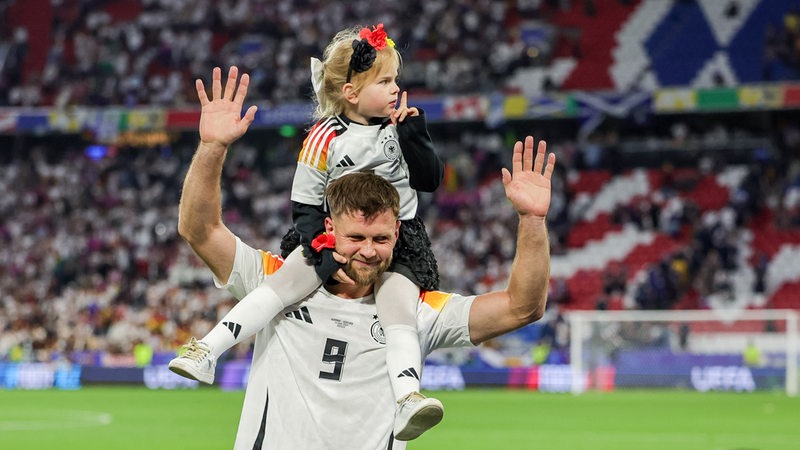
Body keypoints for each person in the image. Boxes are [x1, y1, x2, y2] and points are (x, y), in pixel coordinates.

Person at [175, 66, 555, 449]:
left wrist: (533, 220)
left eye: (381, 238)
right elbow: (200, 230)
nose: (369, 250)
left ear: (399, 234)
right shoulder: (275, 278)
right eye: (355, 237)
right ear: (329, 229)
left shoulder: (418, 309)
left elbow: (522, 308)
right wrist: (212, 147)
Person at [169, 23, 446, 440]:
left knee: (400, 311)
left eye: (395, 80)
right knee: (279, 287)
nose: (395, 89)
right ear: (350, 92)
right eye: (385, 81)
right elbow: (305, 202)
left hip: (399, 241)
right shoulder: (324, 136)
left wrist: (415, 135)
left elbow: (429, 180)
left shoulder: (400, 127)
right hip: (327, 237)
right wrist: (321, 247)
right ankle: (208, 349)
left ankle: (408, 397)